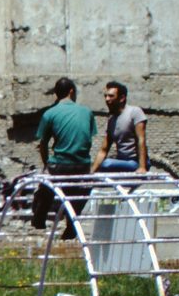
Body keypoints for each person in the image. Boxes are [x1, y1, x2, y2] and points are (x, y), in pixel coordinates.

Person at [32, 77, 97, 239]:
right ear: (71, 91)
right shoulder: (87, 112)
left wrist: (46, 163)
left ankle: (39, 219)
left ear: (56, 94)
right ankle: (71, 223)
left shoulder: (50, 114)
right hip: (82, 164)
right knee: (78, 192)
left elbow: (43, 143)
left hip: (60, 164)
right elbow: (88, 138)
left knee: (45, 187)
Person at [90, 81, 149, 174]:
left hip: (135, 162)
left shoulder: (134, 112)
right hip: (122, 161)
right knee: (100, 165)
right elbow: (103, 150)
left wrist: (142, 167)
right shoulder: (112, 120)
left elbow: (141, 140)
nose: (107, 99)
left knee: (107, 164)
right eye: (105, 96)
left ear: (121, 98)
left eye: (110, 96)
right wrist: (91, 172)